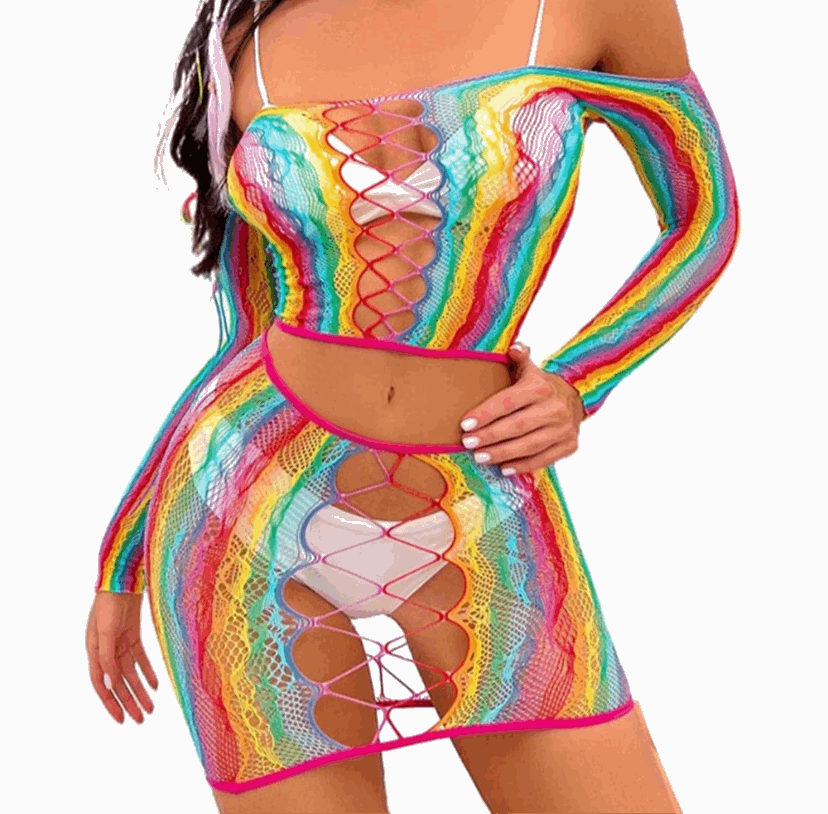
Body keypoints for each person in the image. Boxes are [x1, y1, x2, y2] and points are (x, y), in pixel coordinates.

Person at [85, 0, 740, 811]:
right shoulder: (248, 38)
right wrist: (120, 558)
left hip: (483, 505)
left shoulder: (586, 8)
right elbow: (244, 335)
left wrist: (581, 381)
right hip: (247, 505)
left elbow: (703, 217)